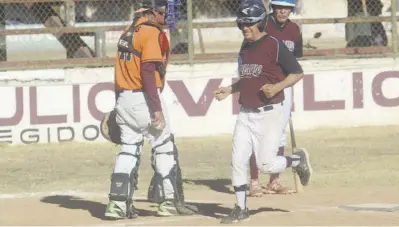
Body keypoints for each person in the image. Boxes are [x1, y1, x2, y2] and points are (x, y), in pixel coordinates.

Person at [213, 0, 312, 223]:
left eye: (249, 24)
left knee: (266, 164)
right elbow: (247, 78)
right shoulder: (245, 47)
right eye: (241, 24)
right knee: (237, 161)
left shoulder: (274, 45)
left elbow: (297, 73)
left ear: (261, 23)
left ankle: (296, 160)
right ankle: (240, 207)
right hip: (245, 113)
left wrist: (276, 87)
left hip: (269, 113)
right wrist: (229, 89)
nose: (245, 29)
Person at [103, 0, 197, 219]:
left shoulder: (128, 31)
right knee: (164, 145)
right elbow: (147, 72)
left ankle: (117, 204)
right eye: (165, 10)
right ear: (153, 12)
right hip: (144, 98)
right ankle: (167, 202)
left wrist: (119, 106)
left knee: (128, 149)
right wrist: (156, 109)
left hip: (124, 98)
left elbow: (120, 71)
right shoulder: (150, 32)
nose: (169, 14)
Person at [248, 0, 303, 197]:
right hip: (260, 84)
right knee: (255, 132)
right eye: (279, 6)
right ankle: (254, 182)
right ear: (272, 8)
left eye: (287, 7)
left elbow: (296, 62)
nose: (283, 11)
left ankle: (274, 181)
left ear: (292, 9)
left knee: (279, 134)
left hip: (284, 86)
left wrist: (287, 84)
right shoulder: (263, 25)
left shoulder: (295, 30)